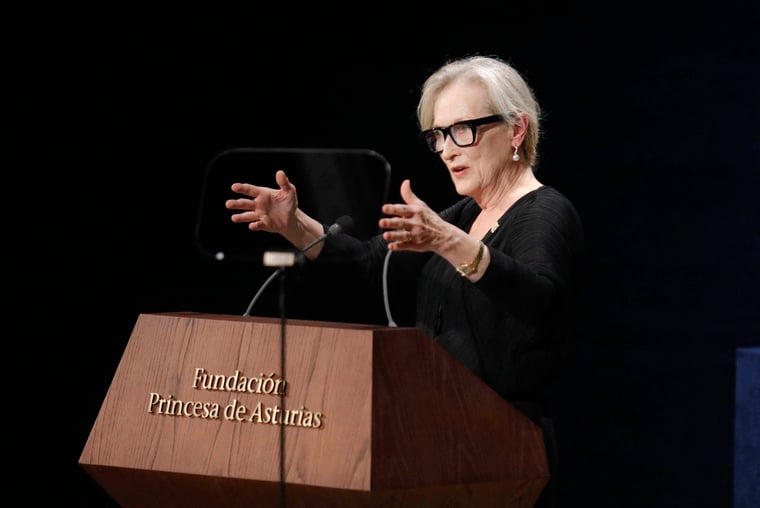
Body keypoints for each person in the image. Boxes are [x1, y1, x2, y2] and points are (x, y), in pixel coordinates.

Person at [225, 54, 584, 507]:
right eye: (438, 135)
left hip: (501, 457)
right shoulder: (465, 216)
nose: (447, 149)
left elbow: (540, 299)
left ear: (516, 129)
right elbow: (369, 264)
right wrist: (294, 224)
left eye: (463, 130)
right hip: (436, 444)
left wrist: (449, 242)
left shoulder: (545, 212)